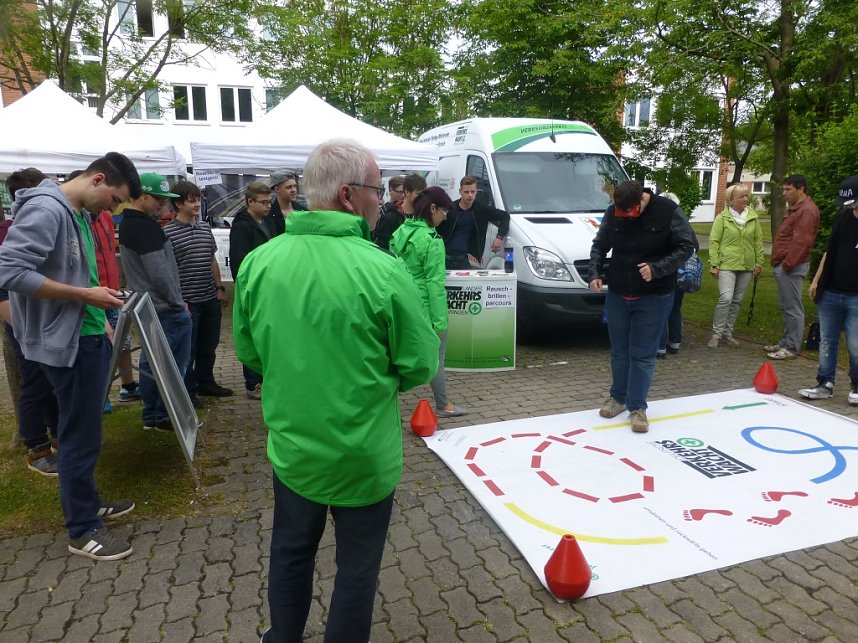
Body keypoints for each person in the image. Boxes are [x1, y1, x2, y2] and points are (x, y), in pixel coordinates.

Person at [234, 139, 439, 643]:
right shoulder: (384, 270)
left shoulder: (260, 263)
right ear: (349, 195)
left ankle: (282, 637)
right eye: (378, 190)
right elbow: (418, 364)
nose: (386, 203)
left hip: (295, 449)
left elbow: (250, 352)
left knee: (289, 552)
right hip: (362, 455)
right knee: (356, 568)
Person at [0, 153, 139, 561]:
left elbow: (83, 275)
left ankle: (88, 504)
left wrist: (100, 312)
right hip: (70, 343)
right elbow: (7, 272)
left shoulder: (76, 210)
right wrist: (85, 297)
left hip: (87, 334)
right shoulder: (47, 210)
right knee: (78, 436)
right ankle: (81, 530)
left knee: (84, 431)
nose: (112, 211)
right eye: (114, 200)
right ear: (98, 180)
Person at [588, 180, 694, 433]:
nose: (624, 217)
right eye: (619, 212)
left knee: (643, 355)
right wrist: (594, 273)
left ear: (641, 202)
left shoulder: (668, 211)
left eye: (629, 212)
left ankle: (637, 407)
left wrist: (658, 269)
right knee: (619, 352)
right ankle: (618, 398)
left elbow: (687, 246)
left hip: (654, 296)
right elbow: (600, 245)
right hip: (618, 292)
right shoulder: (613, 211)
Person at [119, 173, 192, 432]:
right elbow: (159, 272)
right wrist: (177, 301)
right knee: (171, 364)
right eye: (159, 199)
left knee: (151, 361)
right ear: (142, 196)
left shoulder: (130, 223)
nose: (163, 205)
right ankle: (163, 415)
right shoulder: (144, 227)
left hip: (147, 305)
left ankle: (152, 414)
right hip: (164, 307)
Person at [0, 167, 60, 475]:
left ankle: (57, 437)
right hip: (24, 323)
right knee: (34, 385)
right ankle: (36, 449)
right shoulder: (12, 229)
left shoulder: (34, 221)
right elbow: (4, 285)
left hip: (41, 320)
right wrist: (21, 330)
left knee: (48, 383)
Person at [391, 187, 468, 418]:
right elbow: (435, 285)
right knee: (437, 358)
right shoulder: (432, 240)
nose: (445, 218)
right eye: (444, 212)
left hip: (402, 301)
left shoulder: (402, 231)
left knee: (397, 357)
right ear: (432, 208)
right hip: (425, 306)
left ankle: (386, 405)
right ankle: (443, 405)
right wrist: (440, 322)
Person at [165, 180, 233, 404]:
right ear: (178, 204)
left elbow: (212, 259)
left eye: (198, 199)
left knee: (209, 345)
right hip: (188, 301)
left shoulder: (204, 228)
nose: (197, 204)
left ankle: (207, 383)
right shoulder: (168, 234)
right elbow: (169, 270)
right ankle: (188, 392)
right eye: (191, 200)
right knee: (189, 350)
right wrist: (178, 299)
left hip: (209, 297)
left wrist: (219, 288)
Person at [799, 175, 858, 404]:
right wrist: (816, 280)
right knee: (826, 340)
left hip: (856, 295)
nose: (850, 207)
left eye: (853, 202)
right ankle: (825, 383)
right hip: (831, 291)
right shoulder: (842, 218)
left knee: (855, 342)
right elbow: (828, 252)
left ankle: (856, 384)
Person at [229, 181, 276, 399]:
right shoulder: (242, 226)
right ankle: (252, 383)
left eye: (270, 202)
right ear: (250, 202)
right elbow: (239, 261)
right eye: (264, 202)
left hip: (268, 285)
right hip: (252, 286)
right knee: (252, 332)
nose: (268, 206)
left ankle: (263, 377)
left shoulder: (267, 223)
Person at [766, 175, 820, 360]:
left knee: (792, 307)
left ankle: (791, 347)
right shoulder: (797, 209)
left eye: (788, 189)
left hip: (792, 266)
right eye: (784, 189)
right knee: (786, 305)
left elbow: (802, 242)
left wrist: (787, 264)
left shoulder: (806, 211)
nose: (784, 193)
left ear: (801, 189)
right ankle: (786, 341)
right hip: (786, 264)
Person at [706, 184, 765, 348]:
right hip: (726, 264)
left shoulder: (753, 217)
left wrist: (759, 262)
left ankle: (727, 333)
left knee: (737, 300)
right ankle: (716, 334)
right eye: (741, 196)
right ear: (731, 200)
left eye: (747, 196)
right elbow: (714, 241)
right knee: (726, 298)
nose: (746, 199)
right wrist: (714, 264)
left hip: (747, 264)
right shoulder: (722, 218)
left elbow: (758, 241)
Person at [656, 191, 699, 358]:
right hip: (682, 272)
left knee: (660, 308)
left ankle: (660, 346)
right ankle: (674, 342)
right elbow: (694, 246)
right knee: (675, 307)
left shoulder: (661, 223)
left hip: (666, 271)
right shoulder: (684, 225)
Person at [437, 175, 510, 269]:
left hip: (465, 260)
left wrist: (499, 237)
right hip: (444, 259)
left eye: (473, 191)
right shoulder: (450, 209)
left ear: (476, 191)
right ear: (460, 191)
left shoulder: (481, 210)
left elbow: (505, 216)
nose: (470, 195)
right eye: (466, 192)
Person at [372, 175, 406, 250]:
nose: (403, 195)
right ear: (390, 190)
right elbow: (382, 243)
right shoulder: (388, 215)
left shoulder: (400, 210)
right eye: (400, 192)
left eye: (405, 192)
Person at [269, 170, 305, 236]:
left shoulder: (302, 211)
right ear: (277, 189)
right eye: (289, 187)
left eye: (295, 186)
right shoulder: (269, 214)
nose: (293, 190)